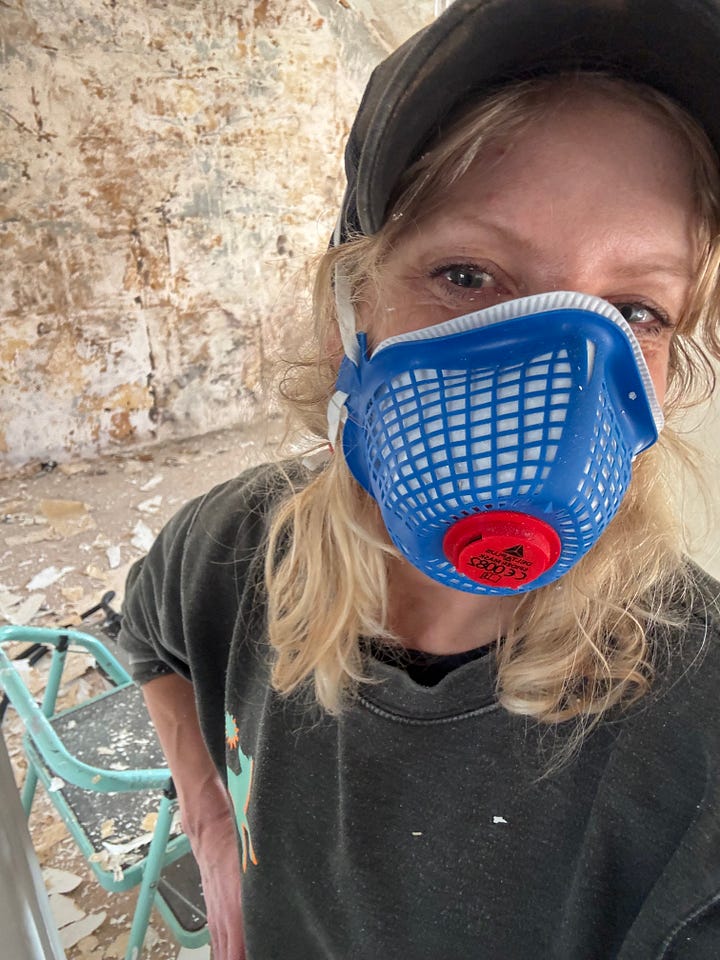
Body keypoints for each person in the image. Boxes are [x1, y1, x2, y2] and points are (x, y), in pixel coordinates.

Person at [119, 1, 720, 957]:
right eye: (470, 276)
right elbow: (148, 628)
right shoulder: (237, 547)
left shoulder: (695, 730)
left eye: (635, 309)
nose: (548, 385)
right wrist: (210, 828)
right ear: (346, 321)